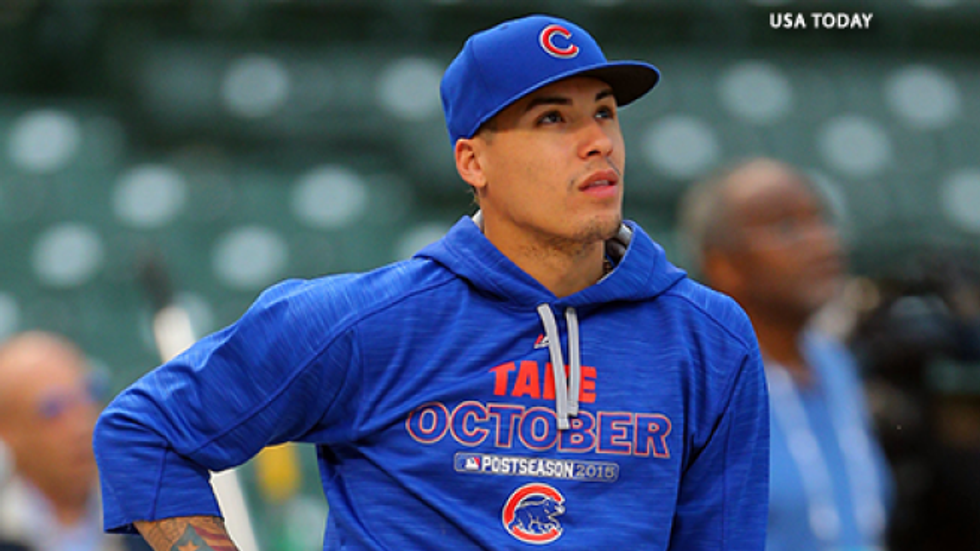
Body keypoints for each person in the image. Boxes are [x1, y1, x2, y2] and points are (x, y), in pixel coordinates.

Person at [94, 14, 769, 550]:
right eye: (552, 119)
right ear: (473, 162)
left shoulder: (709, 339)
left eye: (604, 112)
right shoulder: (365, 323)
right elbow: (143, 432)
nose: (597, 141)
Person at [678, 157, 893, 551]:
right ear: (722, 264)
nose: (823, 241)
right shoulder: (702, 382)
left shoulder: (836, 363)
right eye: (786, 227)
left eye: (822, 219)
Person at [0, 331, 150, 551]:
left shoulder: (154, 516)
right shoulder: (9, 533)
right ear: (8, 432)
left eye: (89, 393)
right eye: (52, 409)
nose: (81, 426)